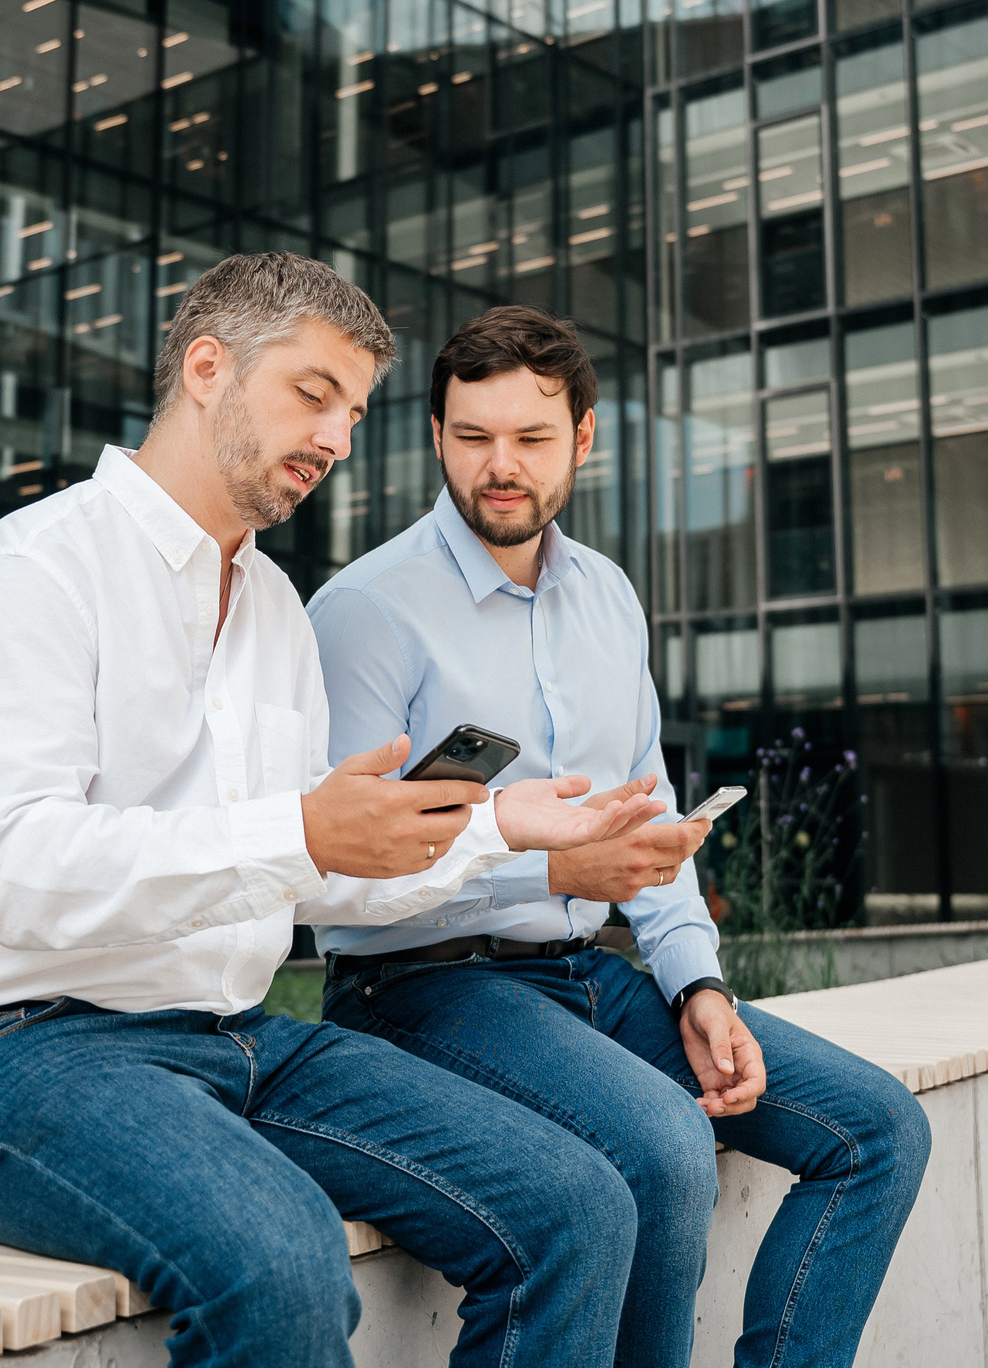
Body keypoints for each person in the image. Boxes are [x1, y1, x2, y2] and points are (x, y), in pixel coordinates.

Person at [0, 255, 669, 1368]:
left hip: (227, 1034)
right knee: (282, 1258)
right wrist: (299, 832)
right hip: (3, 1049)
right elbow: (18, 869)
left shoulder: (276, 606)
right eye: (313, 394)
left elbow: (312, 868)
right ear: (207, 369)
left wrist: (500, 828)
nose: (336, 439)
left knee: (576, 1205)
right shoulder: (34, 571)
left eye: (354, 413)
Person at [307, 306, 932, 1368]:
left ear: (584, 438)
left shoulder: (608, 598)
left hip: (589, 979)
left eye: (531, 437)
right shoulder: (366, 610)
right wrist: (549, 869)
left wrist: (697, 986)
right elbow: (338, 879)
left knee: (879, 1130)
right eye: (473, 437)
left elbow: (653, 829)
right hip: (420, 988)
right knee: (666, 1146)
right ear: (437, 437)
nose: (500, 466)